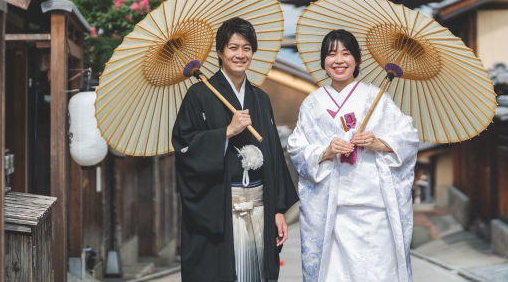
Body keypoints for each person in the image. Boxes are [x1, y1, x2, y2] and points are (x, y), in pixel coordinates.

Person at [172, 17, 298, 282]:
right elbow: (184, 146)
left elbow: (274, 156)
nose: (240, 54)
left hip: (260, 207)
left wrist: (277, 210)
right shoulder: (199, 95)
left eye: (246, 48)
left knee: (256, 274)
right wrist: (226, 133)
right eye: (232, 47)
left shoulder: (260, 99)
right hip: (219, 209)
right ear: (220, 52)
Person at [287, 29, 419, 282]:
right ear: (323, 62)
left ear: (357, 60)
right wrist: (326, 150)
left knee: (377, 273)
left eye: (346, 54)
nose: (338, 60)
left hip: (374, 210)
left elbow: (409, 137)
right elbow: (296, 147)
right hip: (331, 212)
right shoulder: (312, 103)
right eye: (331, 54)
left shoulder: (376, 98)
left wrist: (380, 142)